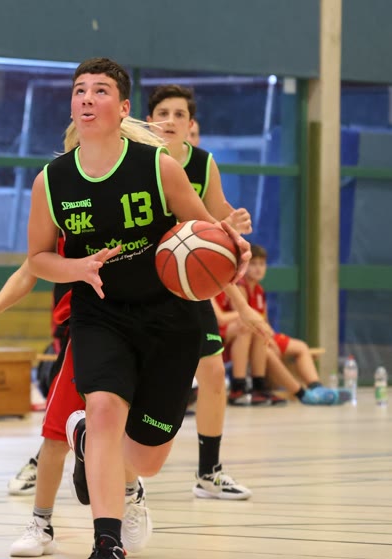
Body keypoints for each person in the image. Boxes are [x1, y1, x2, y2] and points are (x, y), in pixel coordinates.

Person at [26, 58, 248, 559]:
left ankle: (91, 444)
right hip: (100, 312)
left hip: (170, 316)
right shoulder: (52, 181)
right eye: (80, 90)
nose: (86, 98)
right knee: (103, 409)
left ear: (123, 108)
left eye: (100, 90)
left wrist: (232, 248)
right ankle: (107, 548)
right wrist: (77, 268)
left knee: (145, 461)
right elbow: (37, 258)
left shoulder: (158, 167)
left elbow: (205, 232)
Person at [146, 84, 260, 500]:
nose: (170, 120)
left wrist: (235, 222)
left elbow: (217, 219)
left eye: (179, 114)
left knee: (213, 374)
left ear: (190, 124)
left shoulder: (202, 163)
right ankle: (108, 466)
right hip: (143, 283)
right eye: (163, 113)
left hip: (189, 286)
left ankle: (208, 472)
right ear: (148, 121)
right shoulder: (138, 161)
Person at [216, 244, 337, 405]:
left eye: (262, 264)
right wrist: (264, 331)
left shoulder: (259, 290)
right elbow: (234, 318)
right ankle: (299, 393)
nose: (258, 268)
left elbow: (263, 320)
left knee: (300, 346)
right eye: (253, 264)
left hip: (253, 336)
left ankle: (316, 387)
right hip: (233, 337)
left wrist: (270, 337)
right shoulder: (239, 287)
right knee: (255, 332)